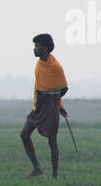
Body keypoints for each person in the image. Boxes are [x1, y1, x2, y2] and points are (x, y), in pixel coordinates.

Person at [19, 33, 68, 178]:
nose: (34, 49)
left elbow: (63, 88)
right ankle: (37, 167)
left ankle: (55, 177)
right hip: (38, 105)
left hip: (51, 106)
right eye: (34, 46)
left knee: (52, 141)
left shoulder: (56, 67)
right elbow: (39, 86)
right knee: (24, 134)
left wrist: (58, 105)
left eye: (37, 46)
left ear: (45, 48)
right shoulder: (39, 64)